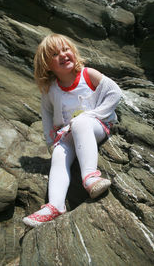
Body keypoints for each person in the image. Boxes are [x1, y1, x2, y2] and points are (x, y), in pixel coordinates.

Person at [23, 33, 122, 227]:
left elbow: (114, 93)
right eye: (54, 54)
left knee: (80, 123)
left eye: (66, 49)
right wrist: (51, 142)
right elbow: (47, 116)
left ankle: (90, 177)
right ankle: (55, 205)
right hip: (68, 132)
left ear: (74, 52)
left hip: (96, 125)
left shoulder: (87, 74)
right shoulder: (50, 89)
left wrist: (94, 114)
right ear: (47, 64)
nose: (63, 55)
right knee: (59, 155)